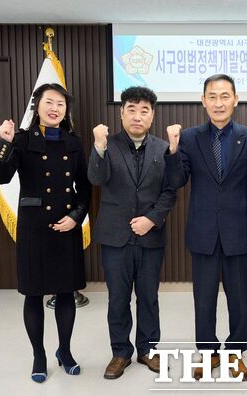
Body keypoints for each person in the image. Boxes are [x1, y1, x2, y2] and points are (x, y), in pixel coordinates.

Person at [0, 83, 91, 383]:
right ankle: (39, 355)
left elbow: (85, 187)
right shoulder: (22, 140)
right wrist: (4, 143)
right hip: (34, 229)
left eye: (61, 103)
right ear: (37, 106)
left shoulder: (74, 142)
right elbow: (1, 176)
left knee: (65, 292)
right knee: (33, 294)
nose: (55, 108)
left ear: (66, 109)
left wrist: (76, 217)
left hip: (66, 228)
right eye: (49, 102)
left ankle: (65, 351)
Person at [165, 74, 247, 381]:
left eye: (224, 96)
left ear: (236, 100)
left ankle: (235, 352)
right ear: (203, 101)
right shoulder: (190, 138)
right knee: (204, 299)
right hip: (203, 231)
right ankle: (208, 353)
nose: (219, 103)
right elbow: (176, 180)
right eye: (212, 96)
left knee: (239, 298)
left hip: (239, 231)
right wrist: (172, 150)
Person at [88, 86, 176, 379]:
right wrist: (98, 146)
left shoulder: (162, 148)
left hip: (150, 237)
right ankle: (120, 352)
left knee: (149, 297)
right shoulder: (108, 144)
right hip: (115, 237)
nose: (137, 116)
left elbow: (169, 191)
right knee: (118, 298)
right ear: (122, 113)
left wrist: (152, 219)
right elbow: (96, 178)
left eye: (144, 111)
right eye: (132, 110)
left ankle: (148, 350)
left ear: (152, 116)